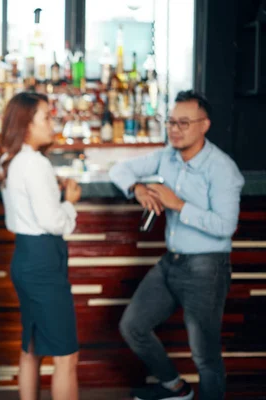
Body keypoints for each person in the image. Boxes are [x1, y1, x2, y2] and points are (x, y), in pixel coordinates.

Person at [110, 90, 244, 400]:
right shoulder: (166, 156)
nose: (174, 129)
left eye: (184, 123)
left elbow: (226, 226)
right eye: (171, 121)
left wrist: (179, 204)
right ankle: (176, 388)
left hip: (207, 267)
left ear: (204, 125)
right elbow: (119, 169)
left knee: (205, 357)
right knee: (133, 326)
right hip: (172, 261)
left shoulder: (222, 169)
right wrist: (137, 187)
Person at [0, 92, 81, 400]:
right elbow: (53, 222)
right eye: (46, 117)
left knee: (31, 348)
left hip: (24, 258)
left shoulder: (11, 158)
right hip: (44, 260)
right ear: (26, 124)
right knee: (66, 356)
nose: (52, 122)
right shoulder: (36, 163)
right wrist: (70, 203)